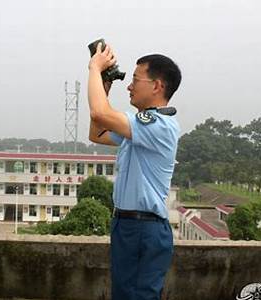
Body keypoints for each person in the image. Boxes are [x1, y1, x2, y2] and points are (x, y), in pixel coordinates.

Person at [87, 42, 182, 300]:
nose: (129, 86)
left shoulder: (159, 125)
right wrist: (104, 84)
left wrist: (95, 68)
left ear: (156, 86)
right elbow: (97, 132)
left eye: (135, 80)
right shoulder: (139, 127)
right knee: (124, 294)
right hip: (128, 223)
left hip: (144, 227)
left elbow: (99, 112)